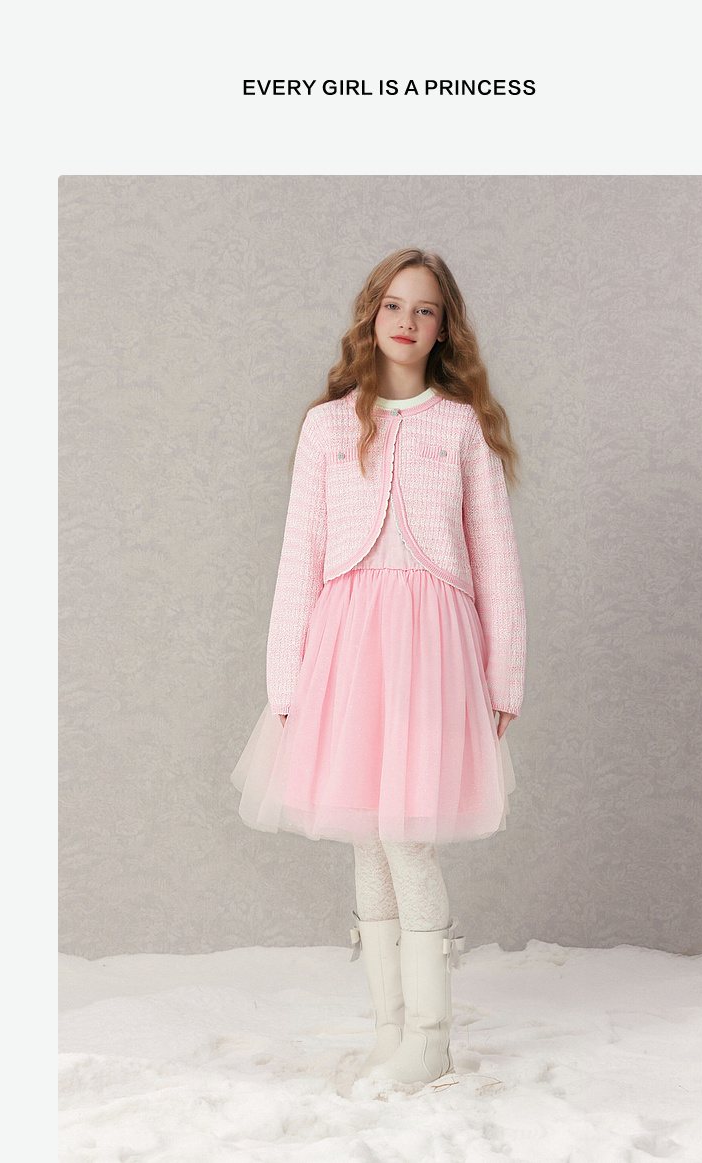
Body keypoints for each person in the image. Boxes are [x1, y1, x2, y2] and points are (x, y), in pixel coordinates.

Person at [231, 248, 526, 1086]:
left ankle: (431, 1038)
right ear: (372, 315)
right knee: (368, 836)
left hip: (432, 654)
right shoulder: (328, 426)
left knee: (408, 837)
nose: (407, 320)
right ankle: (391, 1030)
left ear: (444, 328)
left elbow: (496, 559)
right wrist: (285, 680)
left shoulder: (461, 425)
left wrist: (505, 676)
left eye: (425, 309)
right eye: (394, 305)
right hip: (347, 652)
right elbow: (300, 554)